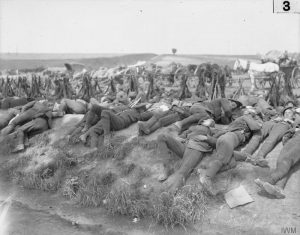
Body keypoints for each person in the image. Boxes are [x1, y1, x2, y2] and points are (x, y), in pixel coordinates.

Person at [254, 108, 300, 199]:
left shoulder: (294, 122)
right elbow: (288, 133)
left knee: (286, 160)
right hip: (293, 139)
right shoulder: (295, 124)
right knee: (284, 162)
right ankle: (279, 188)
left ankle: (269, 180)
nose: (297, 115)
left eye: (297, 113)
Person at [79, 104, 153, 149]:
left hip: (121, 122)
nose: (137, 107)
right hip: (115, 116)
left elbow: (151, 114)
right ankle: (86, 128)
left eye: (140, 107)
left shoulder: (139, 115)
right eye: (138, 106)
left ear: (142, 110)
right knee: (95, 108)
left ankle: (106, 138)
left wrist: (150, 111)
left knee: (105, 113)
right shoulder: (130, 108)